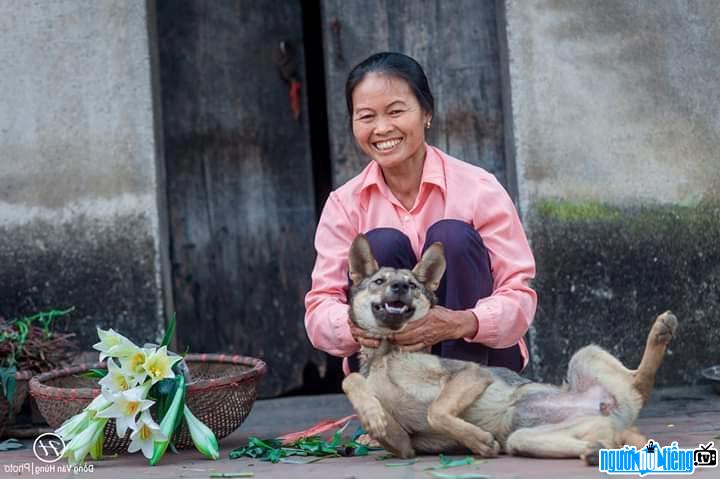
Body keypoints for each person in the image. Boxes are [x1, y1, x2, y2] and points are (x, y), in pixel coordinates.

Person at [304, 52, 536, 375]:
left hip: (480, 369)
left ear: (426, 113)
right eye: (367, 116)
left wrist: (461, 323)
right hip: (390, 377)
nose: (382, 128)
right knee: (380, 244)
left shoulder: (480, 189)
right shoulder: (344, 204)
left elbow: (519, 293)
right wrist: (359, 322)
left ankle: (462, 401)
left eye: (396, 111)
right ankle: (402, 402)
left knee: (451, 237)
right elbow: (319, 309)